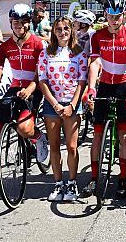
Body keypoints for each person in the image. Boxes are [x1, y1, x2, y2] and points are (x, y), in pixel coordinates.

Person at [0, 3, 49, 196]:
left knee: (24, 128)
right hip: (15, 88)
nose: (20, 25)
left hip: (35, 87)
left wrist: (31, 87)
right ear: (11, 22)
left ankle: (38, 137)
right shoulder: (5, 47)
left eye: (24, 21)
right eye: (16, 21)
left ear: (29, 22)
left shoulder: (39, 44)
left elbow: (41, 73)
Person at [83, 0, 126, 196]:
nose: (114, 20)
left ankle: (123, 178)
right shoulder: (97, 36)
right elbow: (95, 64)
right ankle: (93, 178)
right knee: (97, 134)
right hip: (105, 85)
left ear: (124, 16)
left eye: (118, 16)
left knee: (124, 134)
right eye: (111, 16)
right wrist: (91, 88)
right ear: (105, 16)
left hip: (123, 85)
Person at [37, 16, 88, 202]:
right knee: (55, 147)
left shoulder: (79, 53)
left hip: (72, 105)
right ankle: (58, 183)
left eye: (66, 28)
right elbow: (42, 81)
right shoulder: (45, 53)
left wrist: (73, 105)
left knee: (72, 147)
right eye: (59, 29)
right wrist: (55, 104)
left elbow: (82, 81)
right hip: (52, 106)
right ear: (53, 32)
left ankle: (72, 183)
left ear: (71, 31)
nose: (63, 32)